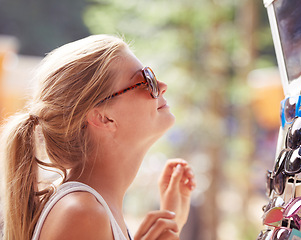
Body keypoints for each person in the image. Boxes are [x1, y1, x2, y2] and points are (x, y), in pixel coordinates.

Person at [0, 34, 196, 240]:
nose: (162, 85)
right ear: (103, 117)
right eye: (145, 79)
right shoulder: (82, 214)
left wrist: (172, 222)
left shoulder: (92, 211)